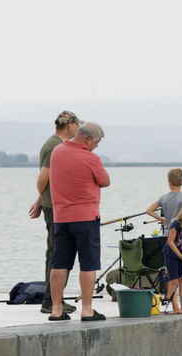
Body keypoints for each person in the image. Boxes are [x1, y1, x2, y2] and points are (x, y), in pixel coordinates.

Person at [48, 122, 110, 321]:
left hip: (61, 218)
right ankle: (87, 309)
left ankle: (56, 309)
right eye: (97, 142)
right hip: (86, 218)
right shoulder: (91, 158)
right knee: (88, 264)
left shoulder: (57, 151)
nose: (97, 146)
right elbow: (105, 181)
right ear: (89, 139)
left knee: (59, 263)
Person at [27, 111, 82, 314]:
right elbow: (43, 178)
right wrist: (42, 198)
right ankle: (51, 300)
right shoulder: (56, 146)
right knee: (58, 254)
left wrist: (40, 199)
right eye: (77, 125)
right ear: (70, 126)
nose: (79, 129)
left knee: (56, 252)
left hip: (53, 205)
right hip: (56, 208)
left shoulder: (53, 143)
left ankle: (53, 298)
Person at [145, 168, 182, 235]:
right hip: (181, 235)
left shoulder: (163, 198)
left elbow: (149, 210)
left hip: (167, 234)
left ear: (169, 182)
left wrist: (162, 220)